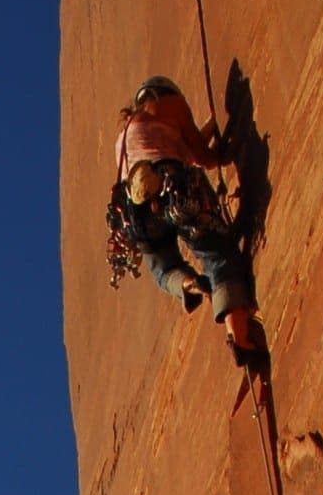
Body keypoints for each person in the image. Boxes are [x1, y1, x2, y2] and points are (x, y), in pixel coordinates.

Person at [108, 75, 263, 359]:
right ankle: (240, 337)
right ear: (164, 92)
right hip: (174, 189)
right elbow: (204, 158)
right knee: (217, 253)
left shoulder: (123, 137)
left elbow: (171, 149)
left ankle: (186, 283)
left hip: (135, 215)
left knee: (162, 267)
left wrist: (204, 133)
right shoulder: (172, 104)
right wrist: (223, 137)